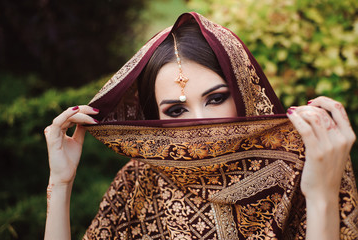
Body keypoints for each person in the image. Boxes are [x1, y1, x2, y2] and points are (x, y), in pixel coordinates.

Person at [44, 12, 358, 240]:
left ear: (243, 92)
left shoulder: (302, 168)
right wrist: (60, 183)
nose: (200, 124)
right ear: (157, 120)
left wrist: (321, 197)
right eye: (177, 109)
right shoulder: (140, 180)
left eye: (217, 98)